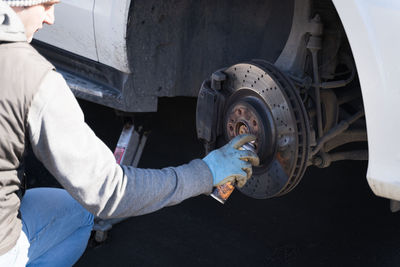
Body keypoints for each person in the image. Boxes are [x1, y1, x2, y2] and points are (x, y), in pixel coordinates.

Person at [0, 1, 259, 266]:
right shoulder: (33, 79)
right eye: (45, 4)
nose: (51, 18)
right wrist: (207, 173)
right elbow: (108, 193)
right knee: (84, 215)